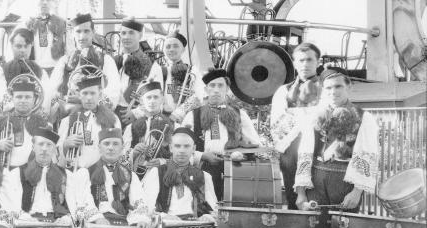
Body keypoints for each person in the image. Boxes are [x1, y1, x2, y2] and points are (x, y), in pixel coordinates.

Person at [293, 68, 377, 228]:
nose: (333, 92)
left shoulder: (363, 117)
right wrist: (301, 194)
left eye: (338, 87)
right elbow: (305, 153)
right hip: (318, 180)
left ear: (348, 88)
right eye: (328, 88)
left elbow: (367, 154)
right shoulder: (314, 116)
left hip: (346, 181)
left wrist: (358, 191)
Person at [184, 68, 261, 200]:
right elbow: (181, 146)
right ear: (206, 89)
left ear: (227, 90)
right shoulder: (192, 116)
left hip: (234, 169)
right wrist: (202, 156)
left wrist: (240, 153)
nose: (216, 90)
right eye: (212, 86)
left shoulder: (239, 114)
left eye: (220, 86)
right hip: (202, 169)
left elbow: (255, 144)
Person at [271, 42, 323, 209]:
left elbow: (327, 116)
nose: (305, 64)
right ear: (294, 63)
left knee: (318, 198)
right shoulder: (283, 92)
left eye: (309, 60)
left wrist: (299, 115)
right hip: (291, 150)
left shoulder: (327, 90)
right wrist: (308, 117)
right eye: (301, 60)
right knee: (295, 200)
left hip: (319, 147)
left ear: (318, 62)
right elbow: (277, 124)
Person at [49, 13, 121, 116]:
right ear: (73, 33)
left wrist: (84, 100)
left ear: (93, 32)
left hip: (95, 117)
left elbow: (113, 93)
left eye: (86, 31)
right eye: (78, 31)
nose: (82, 36)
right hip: (69, 116)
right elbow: (52, 91)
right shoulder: (64, 61)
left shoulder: (105, 60)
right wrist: (62, 102)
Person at [57, 76, 120, 170]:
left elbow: (119, 148)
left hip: (103, 172)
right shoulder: (68, 120)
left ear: (100, 95)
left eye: (93, 93)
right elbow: (58, 156)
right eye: (85, 93)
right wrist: (65, 145)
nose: (89, 98)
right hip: (76, 172)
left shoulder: (113, 119)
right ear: (79, 95)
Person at [113, 18, 163, 124]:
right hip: (113, 115)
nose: (126, 37)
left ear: (140, 35)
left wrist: (136, 113)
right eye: (123, 33)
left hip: (138, 118)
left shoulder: (152, 65)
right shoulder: (115, 61)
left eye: (131, 33)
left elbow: (158, 97)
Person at [0, 76, 47, 169]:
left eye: (27, 97)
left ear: (34, 100)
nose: (23, 100)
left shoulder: (44, 125)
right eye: (19, 97)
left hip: (33, 174)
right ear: (12, 99)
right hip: (7, 173)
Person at [123, 82, 174, 175]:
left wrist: (163, 162)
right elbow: (121, 158)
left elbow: (184, 157)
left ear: (162, 99)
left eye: (156, 97)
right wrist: (133, 152)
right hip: (137, 176)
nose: (152, 101)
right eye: (148, 97)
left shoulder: (172, 126)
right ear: (142, 101)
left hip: (162, 176)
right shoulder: (131, 128)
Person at [18, 0, 66, 71]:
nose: (45, 2)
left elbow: (68, 48)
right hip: (33, 69)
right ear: (34, 1)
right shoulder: (26, 24)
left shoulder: (60, 23)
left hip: (56, 70)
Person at [158, 32, 194, 114]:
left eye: (176, 46)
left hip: (182, 116)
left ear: (183, 49)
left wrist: (192, 95)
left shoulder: (192, 71)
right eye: (168, 46)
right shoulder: (158, 71)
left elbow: (199, 98)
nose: (171, 49)